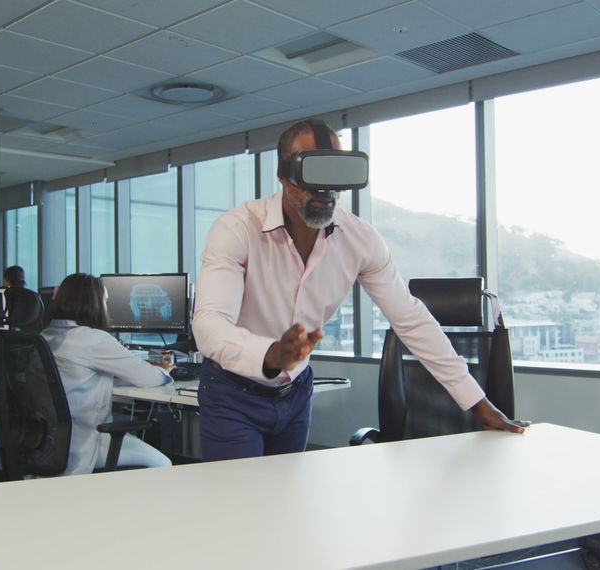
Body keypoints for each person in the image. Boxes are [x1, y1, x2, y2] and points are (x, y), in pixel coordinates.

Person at [192, 118, 529, 461]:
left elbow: (410, 319)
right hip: (233, 393)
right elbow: (209, 324)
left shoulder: (360, 240)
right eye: (311, 173)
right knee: (238, 507)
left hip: (294, 394)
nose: (324, 190)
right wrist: (269, 355)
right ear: (283, 177)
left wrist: (477, 402)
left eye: (335, 173)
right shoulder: (237, 229)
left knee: (283, 503)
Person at [40, 273, 174, 474]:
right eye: (105, 300)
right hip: (83, 445)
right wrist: (165, 371)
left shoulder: (45, 336)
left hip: (47, 445)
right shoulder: (93, 340)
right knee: (164, 465)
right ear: (93, 304)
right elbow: (149, 378)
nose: (107, 306)